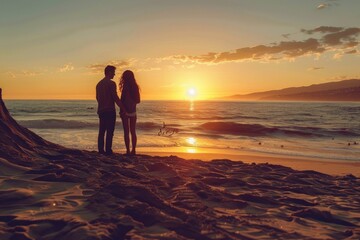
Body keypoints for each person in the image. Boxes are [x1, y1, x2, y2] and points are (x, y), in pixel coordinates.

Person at [96, 65, 125, 155]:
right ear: (108, 72)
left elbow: (97, 98)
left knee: (102, 131)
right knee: (110, 131)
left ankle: (101, 150)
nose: (114, 74)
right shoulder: (111, 83)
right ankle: (108, 150)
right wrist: (123, 108)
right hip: (109, 110)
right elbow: (115, 97)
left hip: (101, 110)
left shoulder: (99, 84)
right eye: (113, 72)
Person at [119, 70, 140, 155]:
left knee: (126, 132)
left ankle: (128, 150)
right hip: (133, 111)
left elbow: (122, 100)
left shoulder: (125, 87)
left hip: (125, 111)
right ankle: (133, 150)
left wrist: (122, 110)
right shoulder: (135, 86)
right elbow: (138, 100)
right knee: (133, 131)